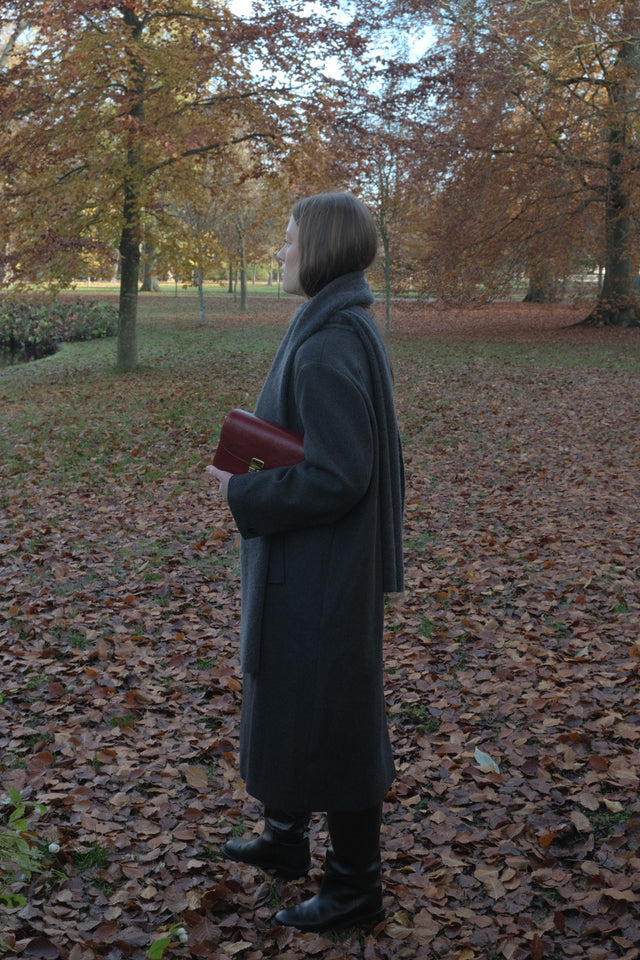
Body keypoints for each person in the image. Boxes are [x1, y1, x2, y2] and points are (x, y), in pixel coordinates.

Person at [206, 192, 404, 933]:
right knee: (293, 698)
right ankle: (285, 837)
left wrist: (243, 488)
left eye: (288, 239)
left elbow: (340, 475)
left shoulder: (328, 345)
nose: (280, 252)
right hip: (319, 563)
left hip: (322, 571)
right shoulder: (337, 322)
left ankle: (355, 889)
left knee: (335, 714)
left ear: (317, 248)